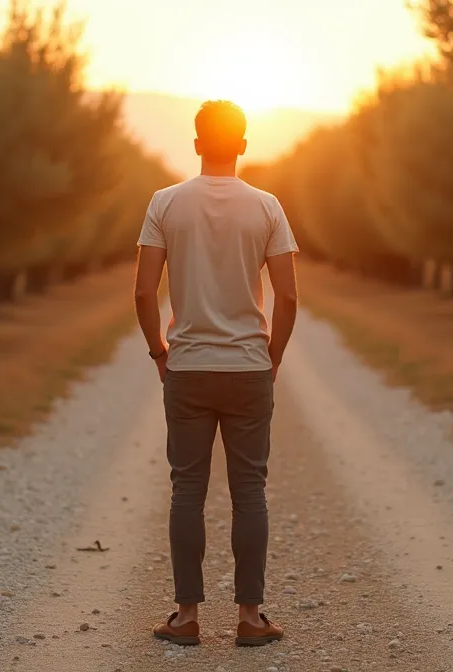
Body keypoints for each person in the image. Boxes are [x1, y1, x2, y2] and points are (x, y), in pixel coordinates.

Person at [133, 100, 300, 647]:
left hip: (187, 368)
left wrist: (161, 353)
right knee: (250, 491)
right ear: (244, 145)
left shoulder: (165, 203)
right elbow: (289, 295)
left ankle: (186, 618)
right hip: (248, 369)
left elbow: (143, 291)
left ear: (198, 142)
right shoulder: (267, 207)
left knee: (188, 491)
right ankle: (250, 619)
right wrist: (271, 356)